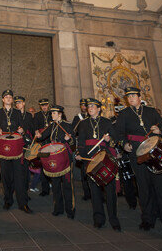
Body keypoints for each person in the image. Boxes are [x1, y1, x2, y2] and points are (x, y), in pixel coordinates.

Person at [115, 87, 162, 235]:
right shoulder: (124, 114)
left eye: (134, 95)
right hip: (136, 153)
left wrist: (160, 131)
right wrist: (124, 144)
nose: (131, 98)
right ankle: (147, 219)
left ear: (140, 97)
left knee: (161, 187)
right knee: (144, 187)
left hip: (155, 151)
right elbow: (119, 134)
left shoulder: (151, 111)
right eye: (129, 97)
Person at [76, 98, 119, 230]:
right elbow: (81, 142)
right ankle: (98, 218)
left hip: (105, 158)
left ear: (99, 109)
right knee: (94, 191)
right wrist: (80, 154)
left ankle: (114, 219)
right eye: (89, 107)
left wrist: (109, 139)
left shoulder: (107, 122)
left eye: (93, 106)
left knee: (110, 191)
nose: (90, 108)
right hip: (90, 159)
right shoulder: (83, 123)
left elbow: (115, 139)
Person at [0, 89, 32, 213]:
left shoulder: (17, 112)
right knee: (6, 176)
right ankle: (8, 200)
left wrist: (22, 130)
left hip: (16, 149)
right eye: (6, 97)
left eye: (10, 97)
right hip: (3, 149)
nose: (9, 98)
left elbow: (22, 127)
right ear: (3, 100)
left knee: (19, 176)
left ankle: (23, 203)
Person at [36, 105, 75, 218]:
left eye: (54, 113)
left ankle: (70, 209)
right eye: (51, 113)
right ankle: (58, 208)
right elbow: (43, 136)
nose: (52, 115)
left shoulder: (67, 125)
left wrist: (70, 139)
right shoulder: (52, 125)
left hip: (65, 158)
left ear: (60, 114)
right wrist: (38, 136)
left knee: (67, 185)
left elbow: (73, 142)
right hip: (54, 158)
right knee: (56, 184)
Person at [14, 95, 35, 196]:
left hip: (26, 144)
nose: (18, 104)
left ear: (24, 103)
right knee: (17, 169)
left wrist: (24, 131)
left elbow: (31, 129)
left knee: (26, 169)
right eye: (16, 103)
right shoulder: (14, 114)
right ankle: (17, 191)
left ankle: (25, 192)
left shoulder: (29, 115)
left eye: (19, 102)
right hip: (16, 144)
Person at [71, 98, 91, 200]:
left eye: (85, 105)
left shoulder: (92, 116)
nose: (84, 107)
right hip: (83, 145)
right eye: (82, 105)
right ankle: (87, 193)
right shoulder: (77, 117)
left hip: (92, 145)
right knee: (84, 170)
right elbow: (73, 131)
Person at [34, 98, 52, 196]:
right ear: (40, 106)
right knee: (43, 165)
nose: (44, 107)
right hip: (42, 142)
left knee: (52, 163)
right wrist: (36, 131)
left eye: (45, 105)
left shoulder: (52, 113)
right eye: (42, 105)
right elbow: (35, 127)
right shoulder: (37, 115)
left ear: (48, 105)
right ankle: (45, 189)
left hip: (51, 142)